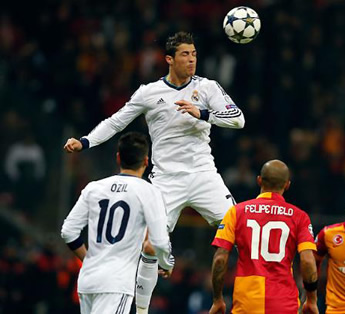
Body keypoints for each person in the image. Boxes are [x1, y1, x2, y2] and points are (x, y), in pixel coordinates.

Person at [63, 31, 245, 313]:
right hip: (165, 180)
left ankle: (254, 301)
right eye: (185, 54)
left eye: (194, 54)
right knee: (149, 246)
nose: (192, 60)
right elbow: (115, 122)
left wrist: (203, 114)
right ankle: (143, 310)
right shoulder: (149, 93)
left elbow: (238, 119)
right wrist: (85, 141)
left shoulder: (208, 88)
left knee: (241, 233)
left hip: (203, 175)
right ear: (169, 59)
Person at [60, 132, 174, 314]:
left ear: (118, 158)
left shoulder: (94, 188)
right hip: (116, 282)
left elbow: (68, 231)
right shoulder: (149, 192)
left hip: (88, 280)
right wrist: (167, 263)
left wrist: (88, 260)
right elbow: (159, 242)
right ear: (146, 161)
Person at [209, 159, 319, 314]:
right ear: (287, 185)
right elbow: (308, 261)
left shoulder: (236, 212)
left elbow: (220, 258)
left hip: (246, 304)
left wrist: (217, 299)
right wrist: (311, 300)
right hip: (284, 304)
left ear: (259, 180)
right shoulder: (299, 217)